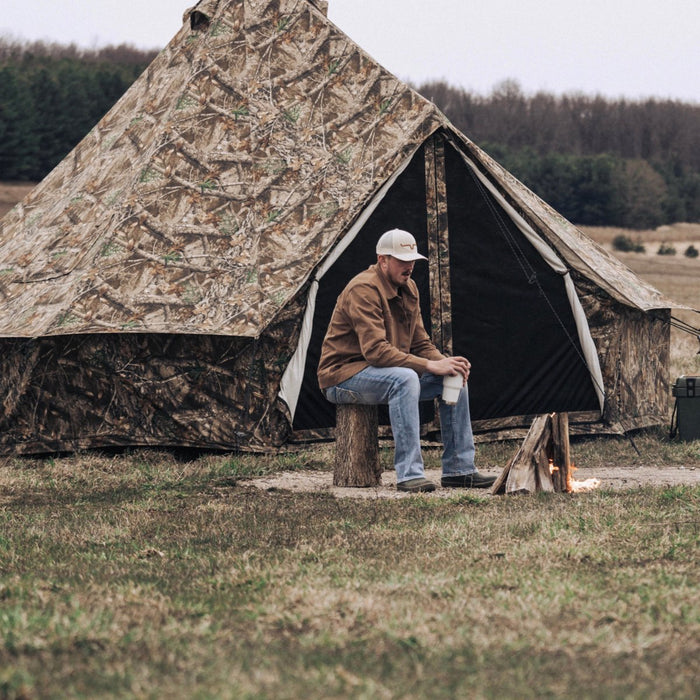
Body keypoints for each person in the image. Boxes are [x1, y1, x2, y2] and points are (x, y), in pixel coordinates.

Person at [317, 228, 496, 493]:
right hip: (343, 376)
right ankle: (409, 474)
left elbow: (421, 343)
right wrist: (429, 365)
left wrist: (445, 363)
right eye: (402, 260)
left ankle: (460, 469)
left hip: (382, 373)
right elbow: (376, 352)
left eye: (412, 259)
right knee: (405, 378)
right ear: (383, 260)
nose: (409, 266)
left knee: (454, 377)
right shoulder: (362, 289)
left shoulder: (409, 287)